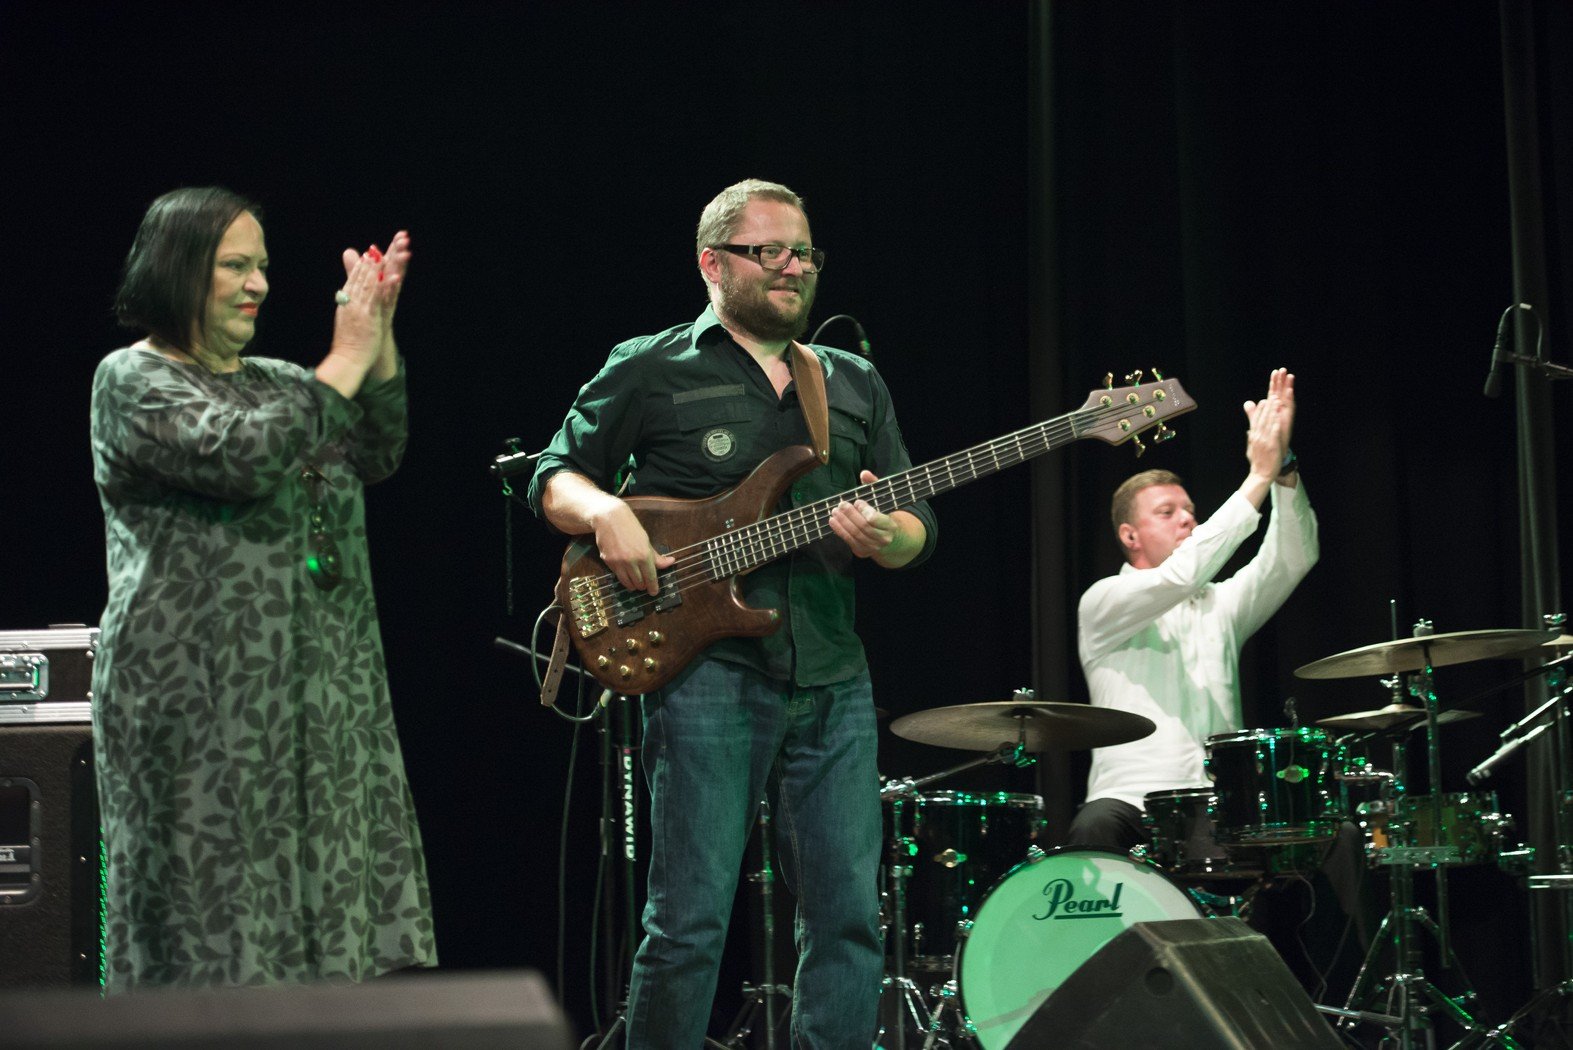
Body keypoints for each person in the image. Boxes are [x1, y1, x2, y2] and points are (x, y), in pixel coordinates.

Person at [527, 179, 937, 1048]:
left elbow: (914, 525)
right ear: (712, 264)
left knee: (847, 921)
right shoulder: (650, 365)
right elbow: (553, 475)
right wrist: (606, 512)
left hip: (831, 673)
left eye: (804, 252)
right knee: (687, 925)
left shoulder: (851, 380)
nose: (793, 267)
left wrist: (889, 536)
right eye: (769, 251)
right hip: (705, 676)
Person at [90, 186, 434, 990]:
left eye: (263, 266)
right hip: (203, 703)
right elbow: (243, 457)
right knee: (214, 925)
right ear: (177, 270)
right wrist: (344, 358)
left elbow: (378, 449)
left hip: (318, 690)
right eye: (235, 266)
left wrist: (378, 336)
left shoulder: (282, 381)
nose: (259, 284)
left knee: (324, 918)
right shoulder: (131, 379)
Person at [1067, 368, 1316, 851]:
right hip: (1130, 801)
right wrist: (1257, 477)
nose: (1187, 520)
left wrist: (1283, 469)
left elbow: (1294, 556)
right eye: (1167, 513)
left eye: (1190, 512)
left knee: (1330, 837)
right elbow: (1180, 576)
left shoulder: (1220, 605)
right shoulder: (1103, 601)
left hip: (1217, 806)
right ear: (1129, 536)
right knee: (1094, 827)